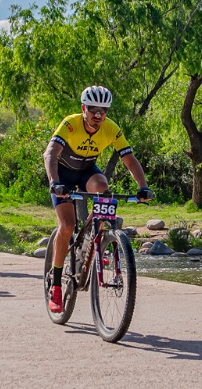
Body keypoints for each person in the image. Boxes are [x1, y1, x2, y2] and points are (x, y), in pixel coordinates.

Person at [43, 85, 152, 313]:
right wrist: (54, 182)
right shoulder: (71, 123)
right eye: (94, 110)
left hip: (86, 170)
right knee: (67, 225)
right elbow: (50, 153)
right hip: (62, 173)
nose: (99, 115)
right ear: (84, 108)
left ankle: (96, 241)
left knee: (104, 191)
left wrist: (143, 186)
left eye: (104, 111)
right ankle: (55, 284)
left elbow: (129, 159)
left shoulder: (111, 128)